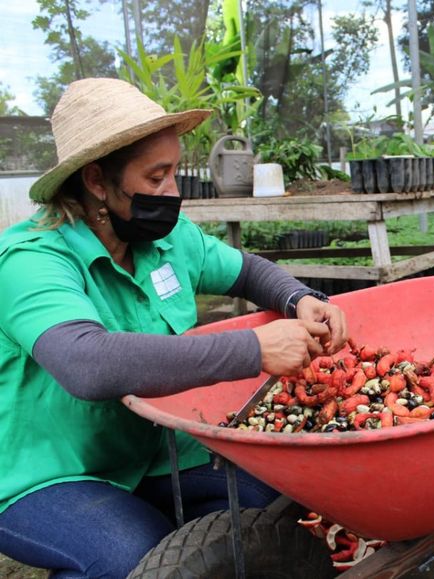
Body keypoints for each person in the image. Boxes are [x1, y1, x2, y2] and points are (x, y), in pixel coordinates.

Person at [0, 78, 348, 577]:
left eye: (175, 173)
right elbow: (86, 363)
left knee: (268, 503)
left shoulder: (166, 240)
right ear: (97, 180)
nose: (173, 193)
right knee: (133, 553)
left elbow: (248, 270)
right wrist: (253, 347)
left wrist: (299, 298)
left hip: (154, 449)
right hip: (53, 470)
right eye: (157, 177)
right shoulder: (31, 261)